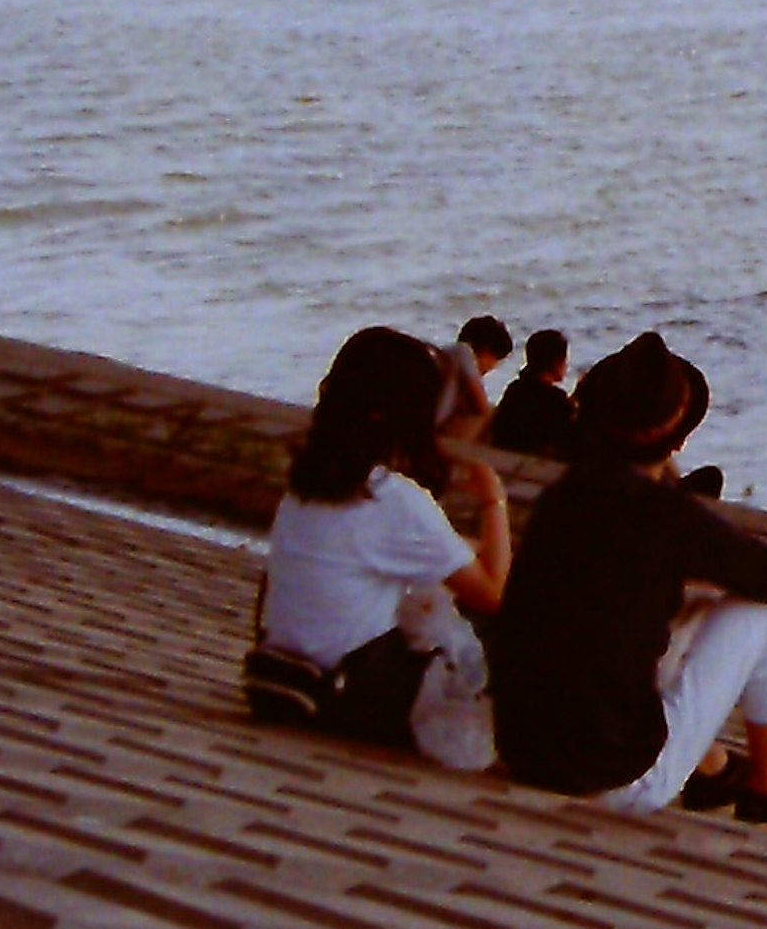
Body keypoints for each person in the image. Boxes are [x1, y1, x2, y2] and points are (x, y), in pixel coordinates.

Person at [489, 329, 767, 827]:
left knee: (653, 614)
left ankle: (712, 769)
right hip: (613, 777)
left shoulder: (560, 500)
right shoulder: (667, 518)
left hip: (525, 752)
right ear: (678, 438)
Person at [247, 326, 508, 768]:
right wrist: (493, 499)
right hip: (352, 695)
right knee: (490, 620)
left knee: (434, 587)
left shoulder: (306, 487)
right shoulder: (395, 497)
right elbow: (493, 591)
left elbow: (373, 545)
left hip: (285, 681)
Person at [484, 328, 578, 460]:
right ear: (556, 363)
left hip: (504, 458)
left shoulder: (515, 389)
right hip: (533, 466)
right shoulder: (556, 399)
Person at [435, 316, 513, 447]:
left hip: (421, 424)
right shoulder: (463, 353)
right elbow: (481, 406)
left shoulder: (445, 357)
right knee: (489, 413)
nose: (490, 368)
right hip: (432, 432)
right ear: (487, 350)